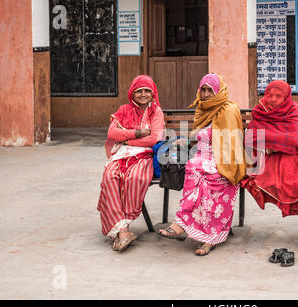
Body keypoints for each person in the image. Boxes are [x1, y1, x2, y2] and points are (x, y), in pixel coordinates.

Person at [158, 73, 246, 256]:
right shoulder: (202, 109)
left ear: (218, 91)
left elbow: (232, 144)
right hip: (200, 158)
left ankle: (208, 238)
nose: (205, 95)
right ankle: (182, 224)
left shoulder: (229, 110)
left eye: (209, 90)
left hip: (224, 161)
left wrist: (215, 162)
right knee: (193, 169)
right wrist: (186, 141)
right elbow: (198, 135)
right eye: (203, 90)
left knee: (209, 177)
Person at [97, 75, 165, 252]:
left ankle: (122, 227)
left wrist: (127, 140)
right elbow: (112, 133)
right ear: (132, 94)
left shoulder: (156, 112)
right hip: (121, 155)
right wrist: (138, 132)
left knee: (135, 177)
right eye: (139, 91)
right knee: (110, 176)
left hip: (144, 155)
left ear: (153, 93)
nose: (143, 94)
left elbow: (154, 139)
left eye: (147, 91)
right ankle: (124, 231)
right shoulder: (124, 110)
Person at [241, 80, 298, 217]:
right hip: (266, 156)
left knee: (290, 172)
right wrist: (268, 144)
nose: (272, 99)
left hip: (293, 154)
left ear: (286, 97)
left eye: (278, 96)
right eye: (270, 95)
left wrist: (270, 144)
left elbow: (293, 138)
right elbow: (250, 136)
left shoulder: (293, 110)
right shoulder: (261, 110)